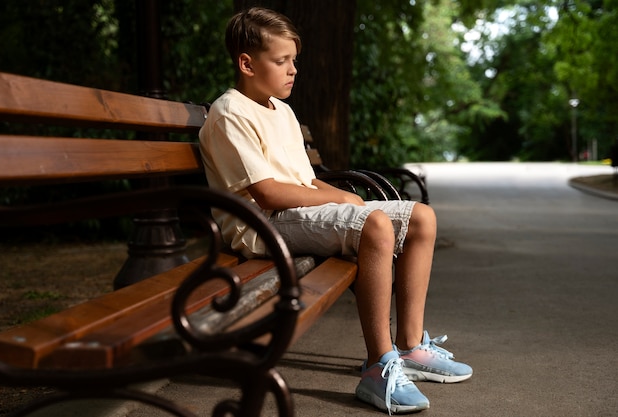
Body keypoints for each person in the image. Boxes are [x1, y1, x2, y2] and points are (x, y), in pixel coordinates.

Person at [199, 7, 472, 414]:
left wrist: (352, 200)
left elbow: (307, 182)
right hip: (262, 226)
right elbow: (269, 193)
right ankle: (378, 368)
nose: (293, 70)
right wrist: (345, 202)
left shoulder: (282, 110)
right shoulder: (230, 112)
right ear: (246, 63)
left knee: (419, 218)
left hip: (291, 215)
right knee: (374, 226)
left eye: (295, 61)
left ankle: (411, 346)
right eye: (282, 61)